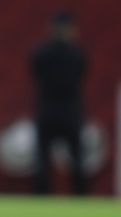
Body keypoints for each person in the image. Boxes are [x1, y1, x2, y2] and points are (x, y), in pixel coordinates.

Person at [31, 11, 88, 195]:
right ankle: (80, 197)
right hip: (69, 109)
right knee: (76, 158)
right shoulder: (77, 54)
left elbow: (35, 71)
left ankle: (41, 198)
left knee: (43, 159)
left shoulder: (42, 53)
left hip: (48, 108)